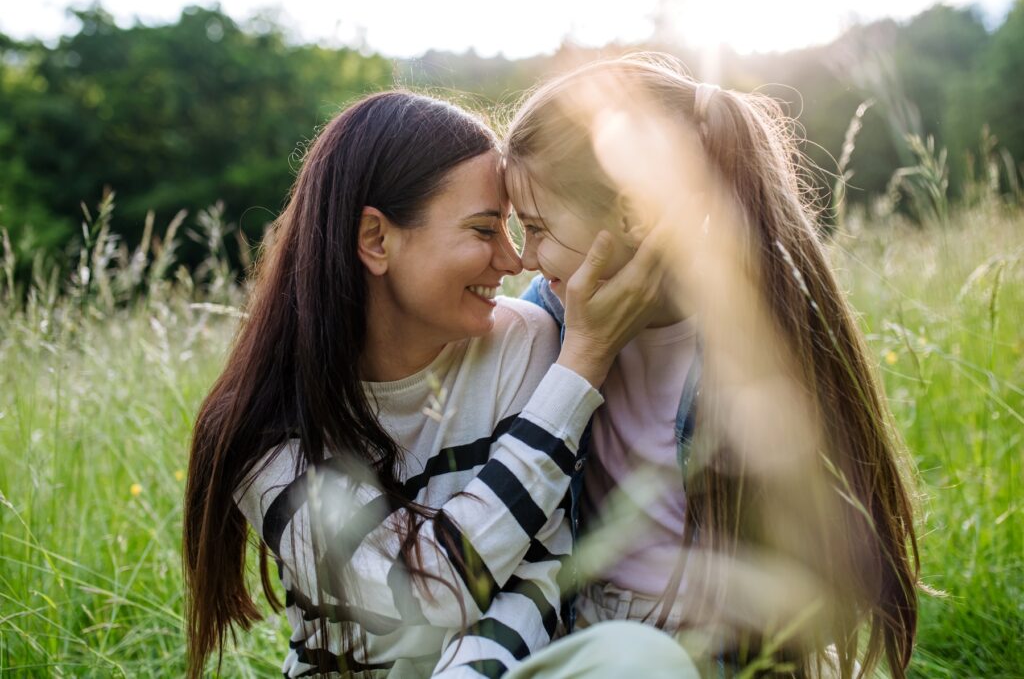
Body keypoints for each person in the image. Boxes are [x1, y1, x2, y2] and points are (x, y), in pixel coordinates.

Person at [181, 91, 664, 678]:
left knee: (641, 661)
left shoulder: (525, 343)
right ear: (377, 240)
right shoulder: (266, 429)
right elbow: (423, 592)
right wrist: (584, 360)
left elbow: (539, 572)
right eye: (485, 230)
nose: (513, 262)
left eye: (513, 230)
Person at [498, 53, 920, 678]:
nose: (524, 257)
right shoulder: (547, 320)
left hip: (731, 641)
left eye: (536, 228)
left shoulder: (761, 331)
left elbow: (835, 547)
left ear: (633, 216)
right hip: (589, 631)